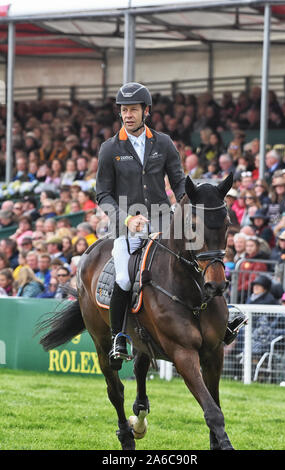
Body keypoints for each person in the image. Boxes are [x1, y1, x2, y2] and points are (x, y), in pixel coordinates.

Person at [96, 82, 186, 369]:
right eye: (124, 110)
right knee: (123, 278)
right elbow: (103, 195)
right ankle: (118, 337)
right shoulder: (110, 149)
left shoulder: (164, 143)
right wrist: (126, 218)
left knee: (196, 259)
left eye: (133, 109)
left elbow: (179, 182)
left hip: (163, 221)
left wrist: (190, 205)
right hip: (126, 226)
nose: (127, 115)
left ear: (146, 111)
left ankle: (222, 316)